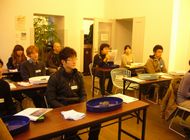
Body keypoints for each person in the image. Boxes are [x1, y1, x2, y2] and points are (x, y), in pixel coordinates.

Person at [47, 47, 101, 140]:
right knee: (71, 132)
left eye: (75, 58)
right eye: (70, 59)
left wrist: (81, 105)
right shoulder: (55, 77)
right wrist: (65, 109)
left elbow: (83, 94)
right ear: (63, 62)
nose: (74, 61)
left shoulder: (78, 75)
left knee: (97, 121)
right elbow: (51, 99)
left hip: (78, 107)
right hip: (63, 109)